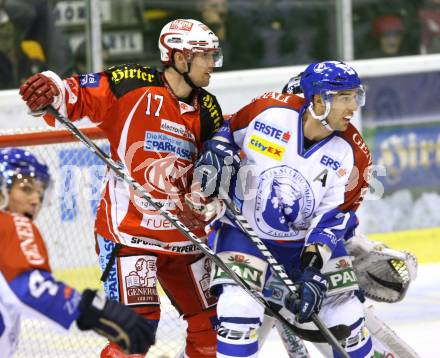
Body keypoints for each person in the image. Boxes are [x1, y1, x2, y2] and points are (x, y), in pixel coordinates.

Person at [19, 18, 224, 357]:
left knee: (212, 328)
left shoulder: (209, 109)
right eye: (204, 55)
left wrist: (210, 191)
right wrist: (50, 87)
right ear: (179, 57)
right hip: (130, 235)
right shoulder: (130, 83)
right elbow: (74, 94)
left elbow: (214, 169)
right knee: (134, 332)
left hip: (185, 238)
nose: (211, 64)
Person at [194, 60, 373, 357]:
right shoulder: (268, 111)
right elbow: (227, 130)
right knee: (238, 311)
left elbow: (330, 220)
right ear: (318, 99)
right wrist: (218, 147)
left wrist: (312, 271)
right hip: (245, 235)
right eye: (344, 98)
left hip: (305, 245)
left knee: (346, 318)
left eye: (356, 96)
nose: (353, 107)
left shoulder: (353, 154)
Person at [0, 148, 156, 357]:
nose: (35, 200)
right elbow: (29, 287)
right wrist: (93, 308)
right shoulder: (11, 223)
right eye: (26, 189)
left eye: (39, 191)